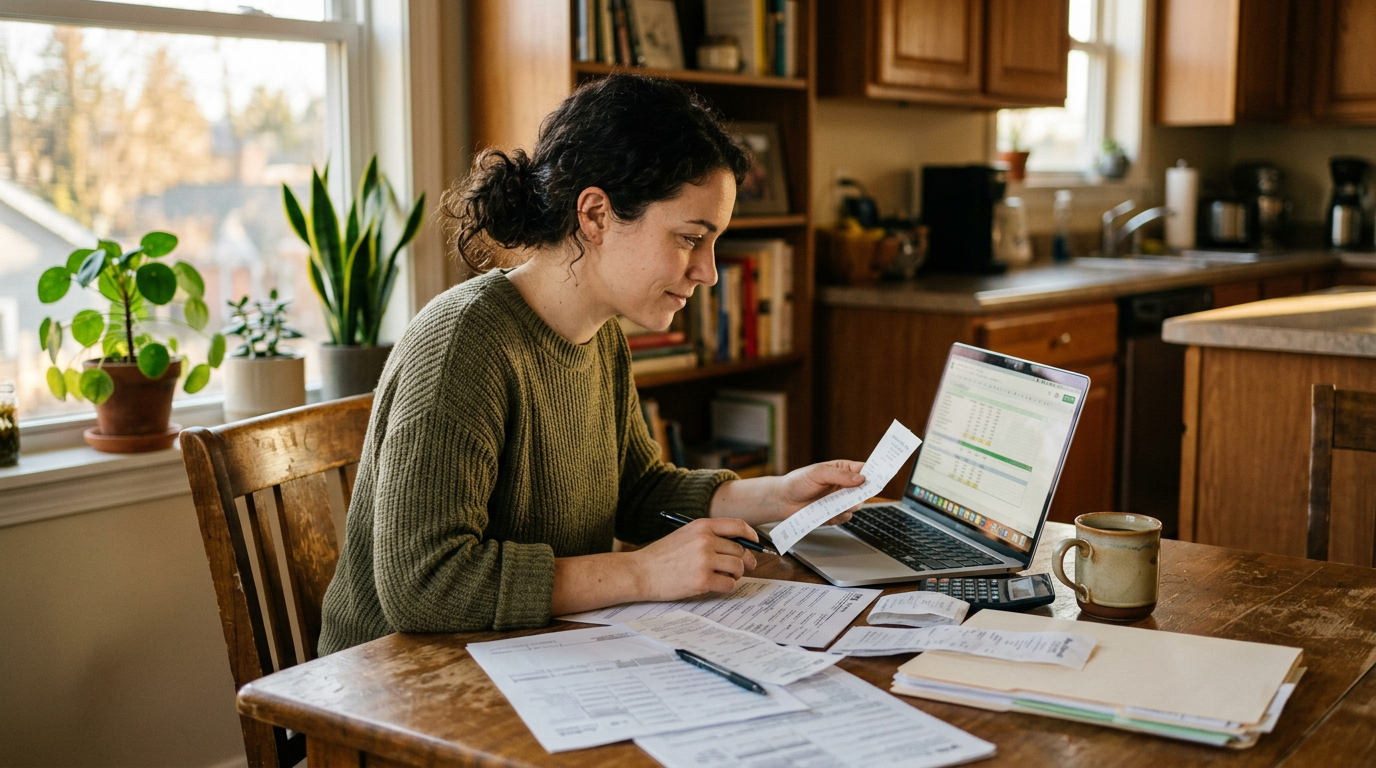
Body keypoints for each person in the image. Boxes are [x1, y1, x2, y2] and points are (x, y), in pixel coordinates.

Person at [318, 74, 865, 655]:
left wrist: (776, 497)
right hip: (396, 686)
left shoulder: (600, 337)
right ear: (596, 214)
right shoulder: (463, 343)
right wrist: (641, 574)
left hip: (523, 656)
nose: (707, 271)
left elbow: (635, 490)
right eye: (689, 238)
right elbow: (423, 586)